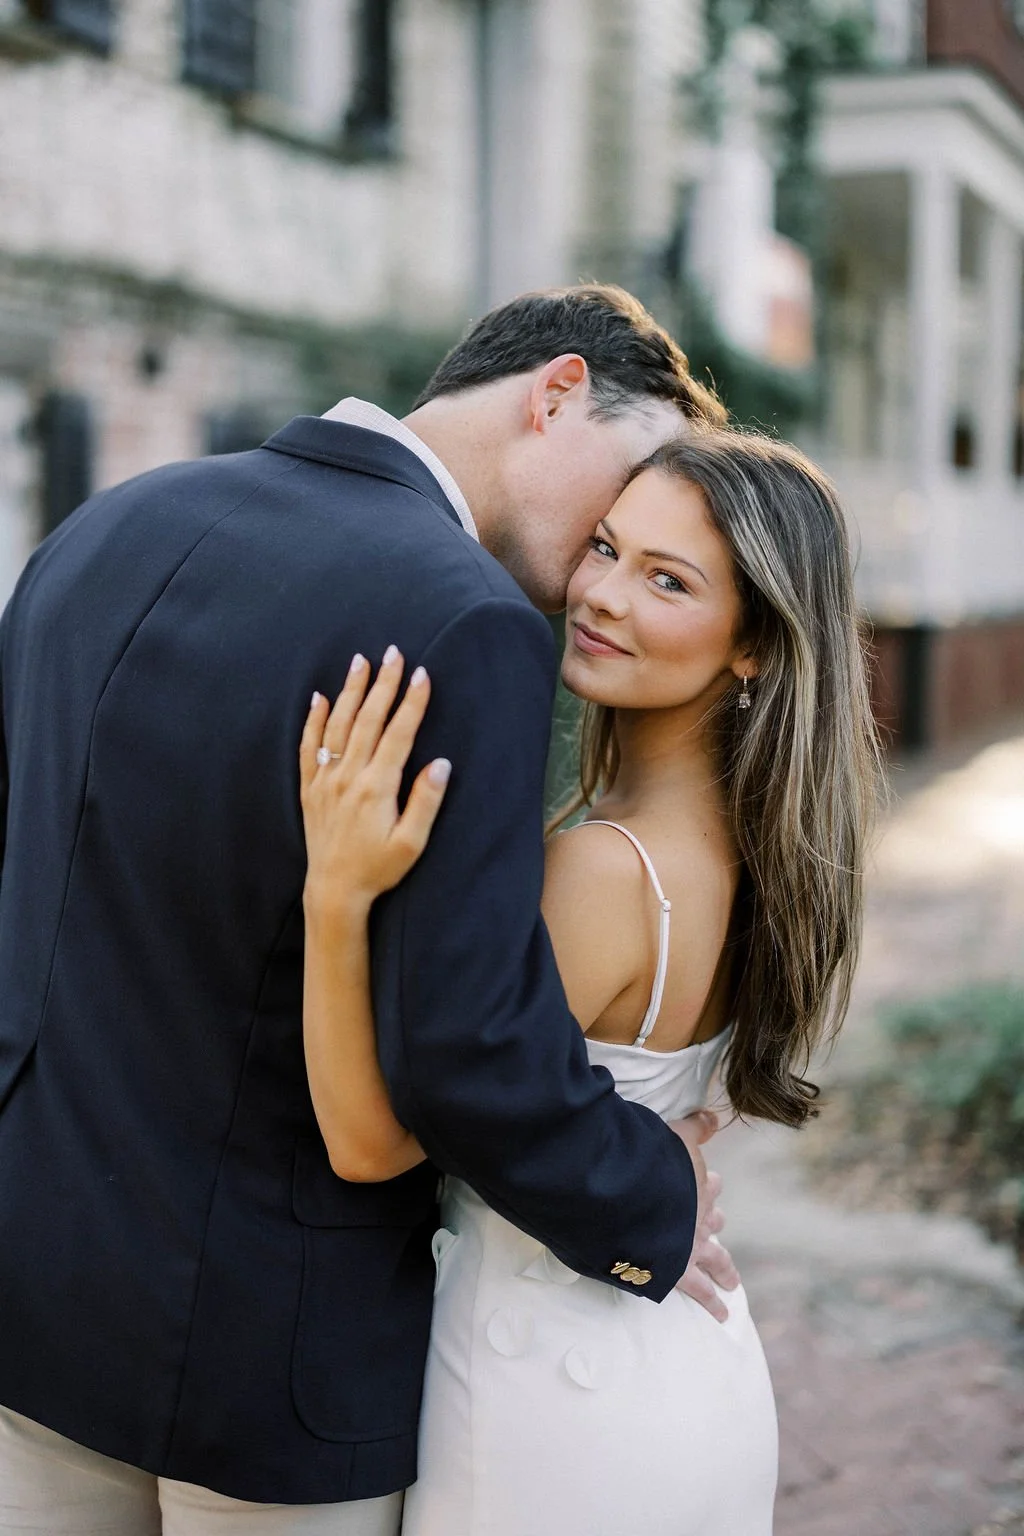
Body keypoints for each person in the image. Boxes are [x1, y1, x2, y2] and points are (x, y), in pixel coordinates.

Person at [0, 286, 738, 1536]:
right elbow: (464, 1052)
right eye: (616, 496)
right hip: (270, 1363)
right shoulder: (464, 619)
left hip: (28, 1294)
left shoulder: (101, 528)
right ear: (555, 393)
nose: (601, 556)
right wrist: (647, 1193)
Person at [298, 430, 884, 1536]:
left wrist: (336, 896)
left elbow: (371, 1144)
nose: (601, 596)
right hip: (680, 1370)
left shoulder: (603, 871)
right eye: (606, 549)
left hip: (547, 1410)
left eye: (666, 580)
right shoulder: (760, 850)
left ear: (753, 644)